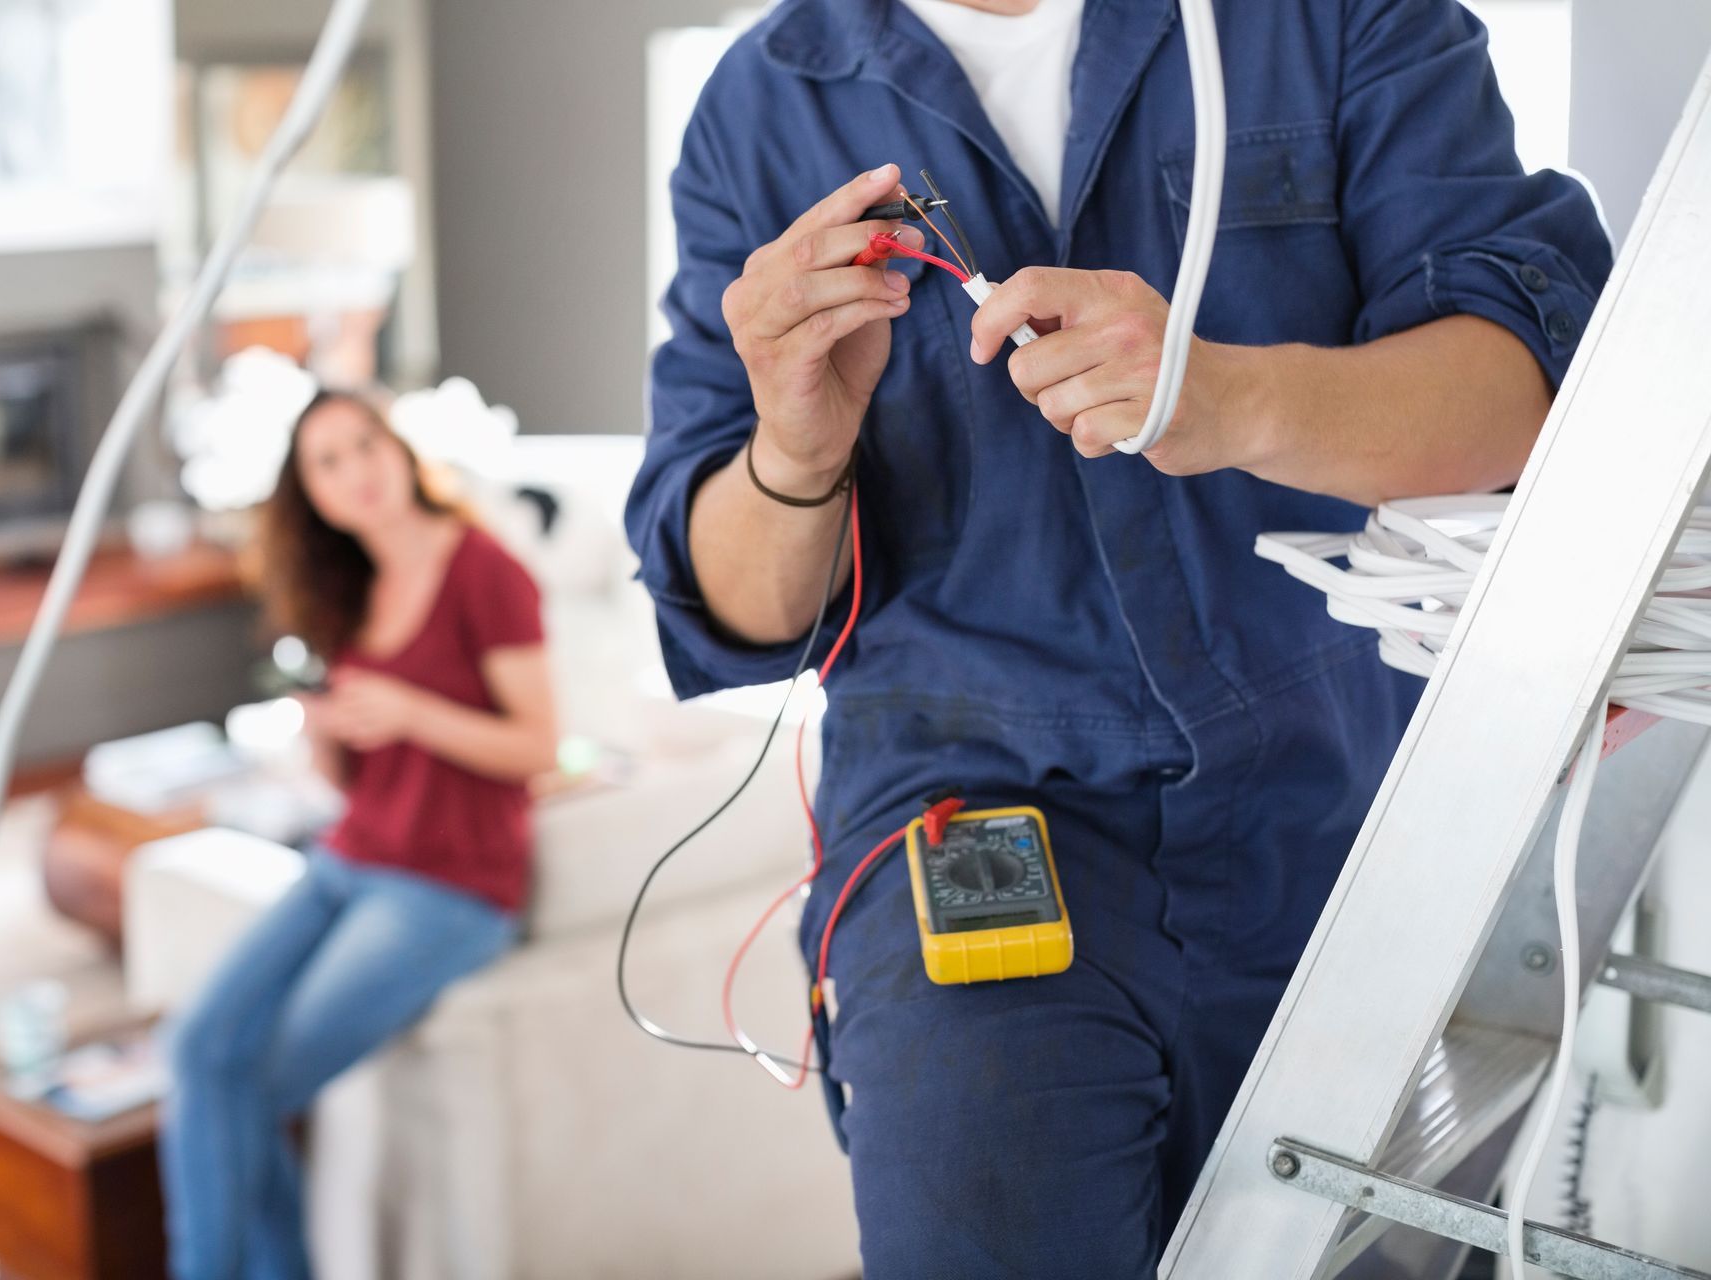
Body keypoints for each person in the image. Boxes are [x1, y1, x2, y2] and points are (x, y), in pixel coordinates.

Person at [626, 0, 1613, 1274]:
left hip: (1344, 811)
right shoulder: (764, 101)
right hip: (963, 803)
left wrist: (1229, 395)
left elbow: (1535, 395)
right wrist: (795, 447)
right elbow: (738, 599)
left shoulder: (1342, 19)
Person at [159, 391, 557, 1280]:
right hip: (349, 856)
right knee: (195, 1050)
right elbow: (352, 782)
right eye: (326, 463)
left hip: (450, 887)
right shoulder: (347, 588)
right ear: (314, 496)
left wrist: (414, 710)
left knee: (246, 1089)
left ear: (399, 451)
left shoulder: (485, 570)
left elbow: (537, 743)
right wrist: (328, 740)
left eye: (362, 446)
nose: (353, 472)